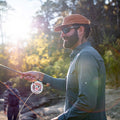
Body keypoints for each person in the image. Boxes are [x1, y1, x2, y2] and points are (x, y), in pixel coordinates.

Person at [21, 14, 107, 120]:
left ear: (80, 30)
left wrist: (59, 119)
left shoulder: (86, 56)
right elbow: (69, 86)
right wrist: (40, 76)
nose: (62, 35)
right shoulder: (79, 56)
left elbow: (86, 102)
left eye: (66, 30)